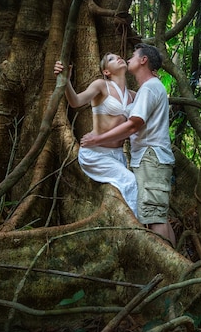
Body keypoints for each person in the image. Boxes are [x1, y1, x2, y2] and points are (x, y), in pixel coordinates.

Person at [80, 43, 176, 247]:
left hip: (152, 157)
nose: (127, 58)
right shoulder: (143, 90)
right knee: (157, 212)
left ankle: (168, 266)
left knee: (155, 216)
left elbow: (133, 125)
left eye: (133, 55)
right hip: (147, 157)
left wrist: (97, 139)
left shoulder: (149, 88)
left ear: (143, 60)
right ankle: (169, 262)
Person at [54, 53, 139, 217]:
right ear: (106, 71)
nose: (119, 58)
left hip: (118, 156)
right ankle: (137, 230)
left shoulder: (133, 96)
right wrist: (65, 81)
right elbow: (76, 101)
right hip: (95, 154)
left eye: (120, 56)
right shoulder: (101, 85)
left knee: (126, 190)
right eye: (112, 59)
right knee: (130, 181)